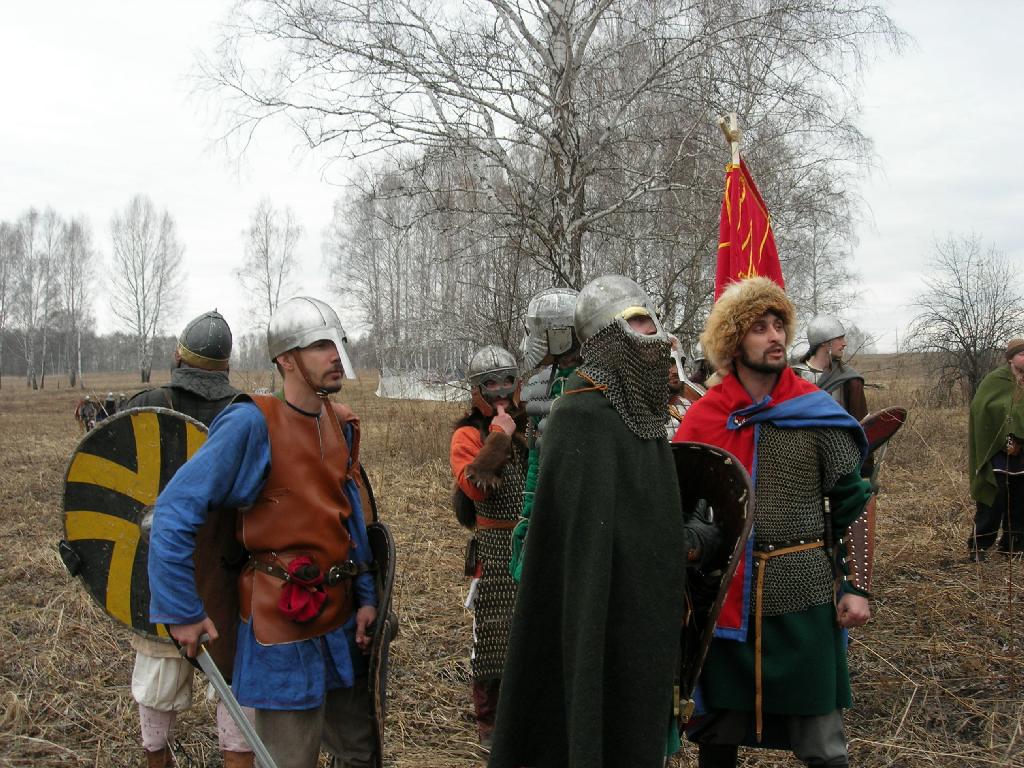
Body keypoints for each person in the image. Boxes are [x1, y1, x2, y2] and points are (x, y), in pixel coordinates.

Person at [487, 274, 718, 768]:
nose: (654, 334)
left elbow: (651, 516)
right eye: (638, 323)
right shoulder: (580, 416)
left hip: (640, 612)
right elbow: (581, 550)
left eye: (652, 320)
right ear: (608, 338)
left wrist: (688, 537)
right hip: (600, 614)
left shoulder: (642, 416)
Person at [148, 296, 378, 768]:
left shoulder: (338, 422)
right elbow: (173, 510)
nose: (335, 355)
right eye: (320, 345)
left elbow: (351, 518)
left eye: (336, 343)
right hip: (282, 622)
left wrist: (368, 598)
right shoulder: (252, 422)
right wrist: (180, 610)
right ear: (286, 359)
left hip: (341, 620)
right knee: (290, 759)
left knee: (360, 752)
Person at [676, 277, 872, 768]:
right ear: (733, 342)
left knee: (823, 741)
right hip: (725, 599)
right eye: (759, 328)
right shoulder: (706, 418)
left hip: (801, 594)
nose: (775, 336)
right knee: (716, 734)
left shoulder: (814, 411)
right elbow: (677, 508)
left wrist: (856, 587)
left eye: (779, 325)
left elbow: (853, 503)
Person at [126, 310, 252, 767]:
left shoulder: (145, 405)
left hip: (164, 570)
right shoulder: (245, 411)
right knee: (237, 687)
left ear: (178, 356)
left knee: (158, 683)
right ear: (226, 365)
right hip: (227, 575)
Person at [450, 345, 527, 747]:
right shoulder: (467, 435)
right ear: (477, 391)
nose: (500, 391)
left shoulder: (531, 425)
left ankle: (528, 717)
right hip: (495, 550)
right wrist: (499, 436)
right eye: (490, 384)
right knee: (494, 639)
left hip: (533, 543)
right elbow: (476, 488)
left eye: (506, 382)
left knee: (534, 634)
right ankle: (491, 724)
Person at [509, 287, 579, 582]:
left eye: (540, 331)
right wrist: (527, 515)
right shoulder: (541, 386)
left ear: (561, 334)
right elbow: (536, 460)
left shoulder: (597, 385)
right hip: (547, 509)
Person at [968, 338, 1024, 559]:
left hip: (1022, 453)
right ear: (1010, 358)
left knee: (1020, 500)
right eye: (1021, 354)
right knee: (994, 499)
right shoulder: (996, 380)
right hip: (997, 451)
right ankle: (979, 546)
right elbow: (981, 407)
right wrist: (1008, 432)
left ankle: (1014, 545)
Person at [792, 315, 867, 420]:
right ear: (824, 341)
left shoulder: (850, 380)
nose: (844, 343)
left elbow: (861, 424)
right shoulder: (794, 376)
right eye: (839, 338)